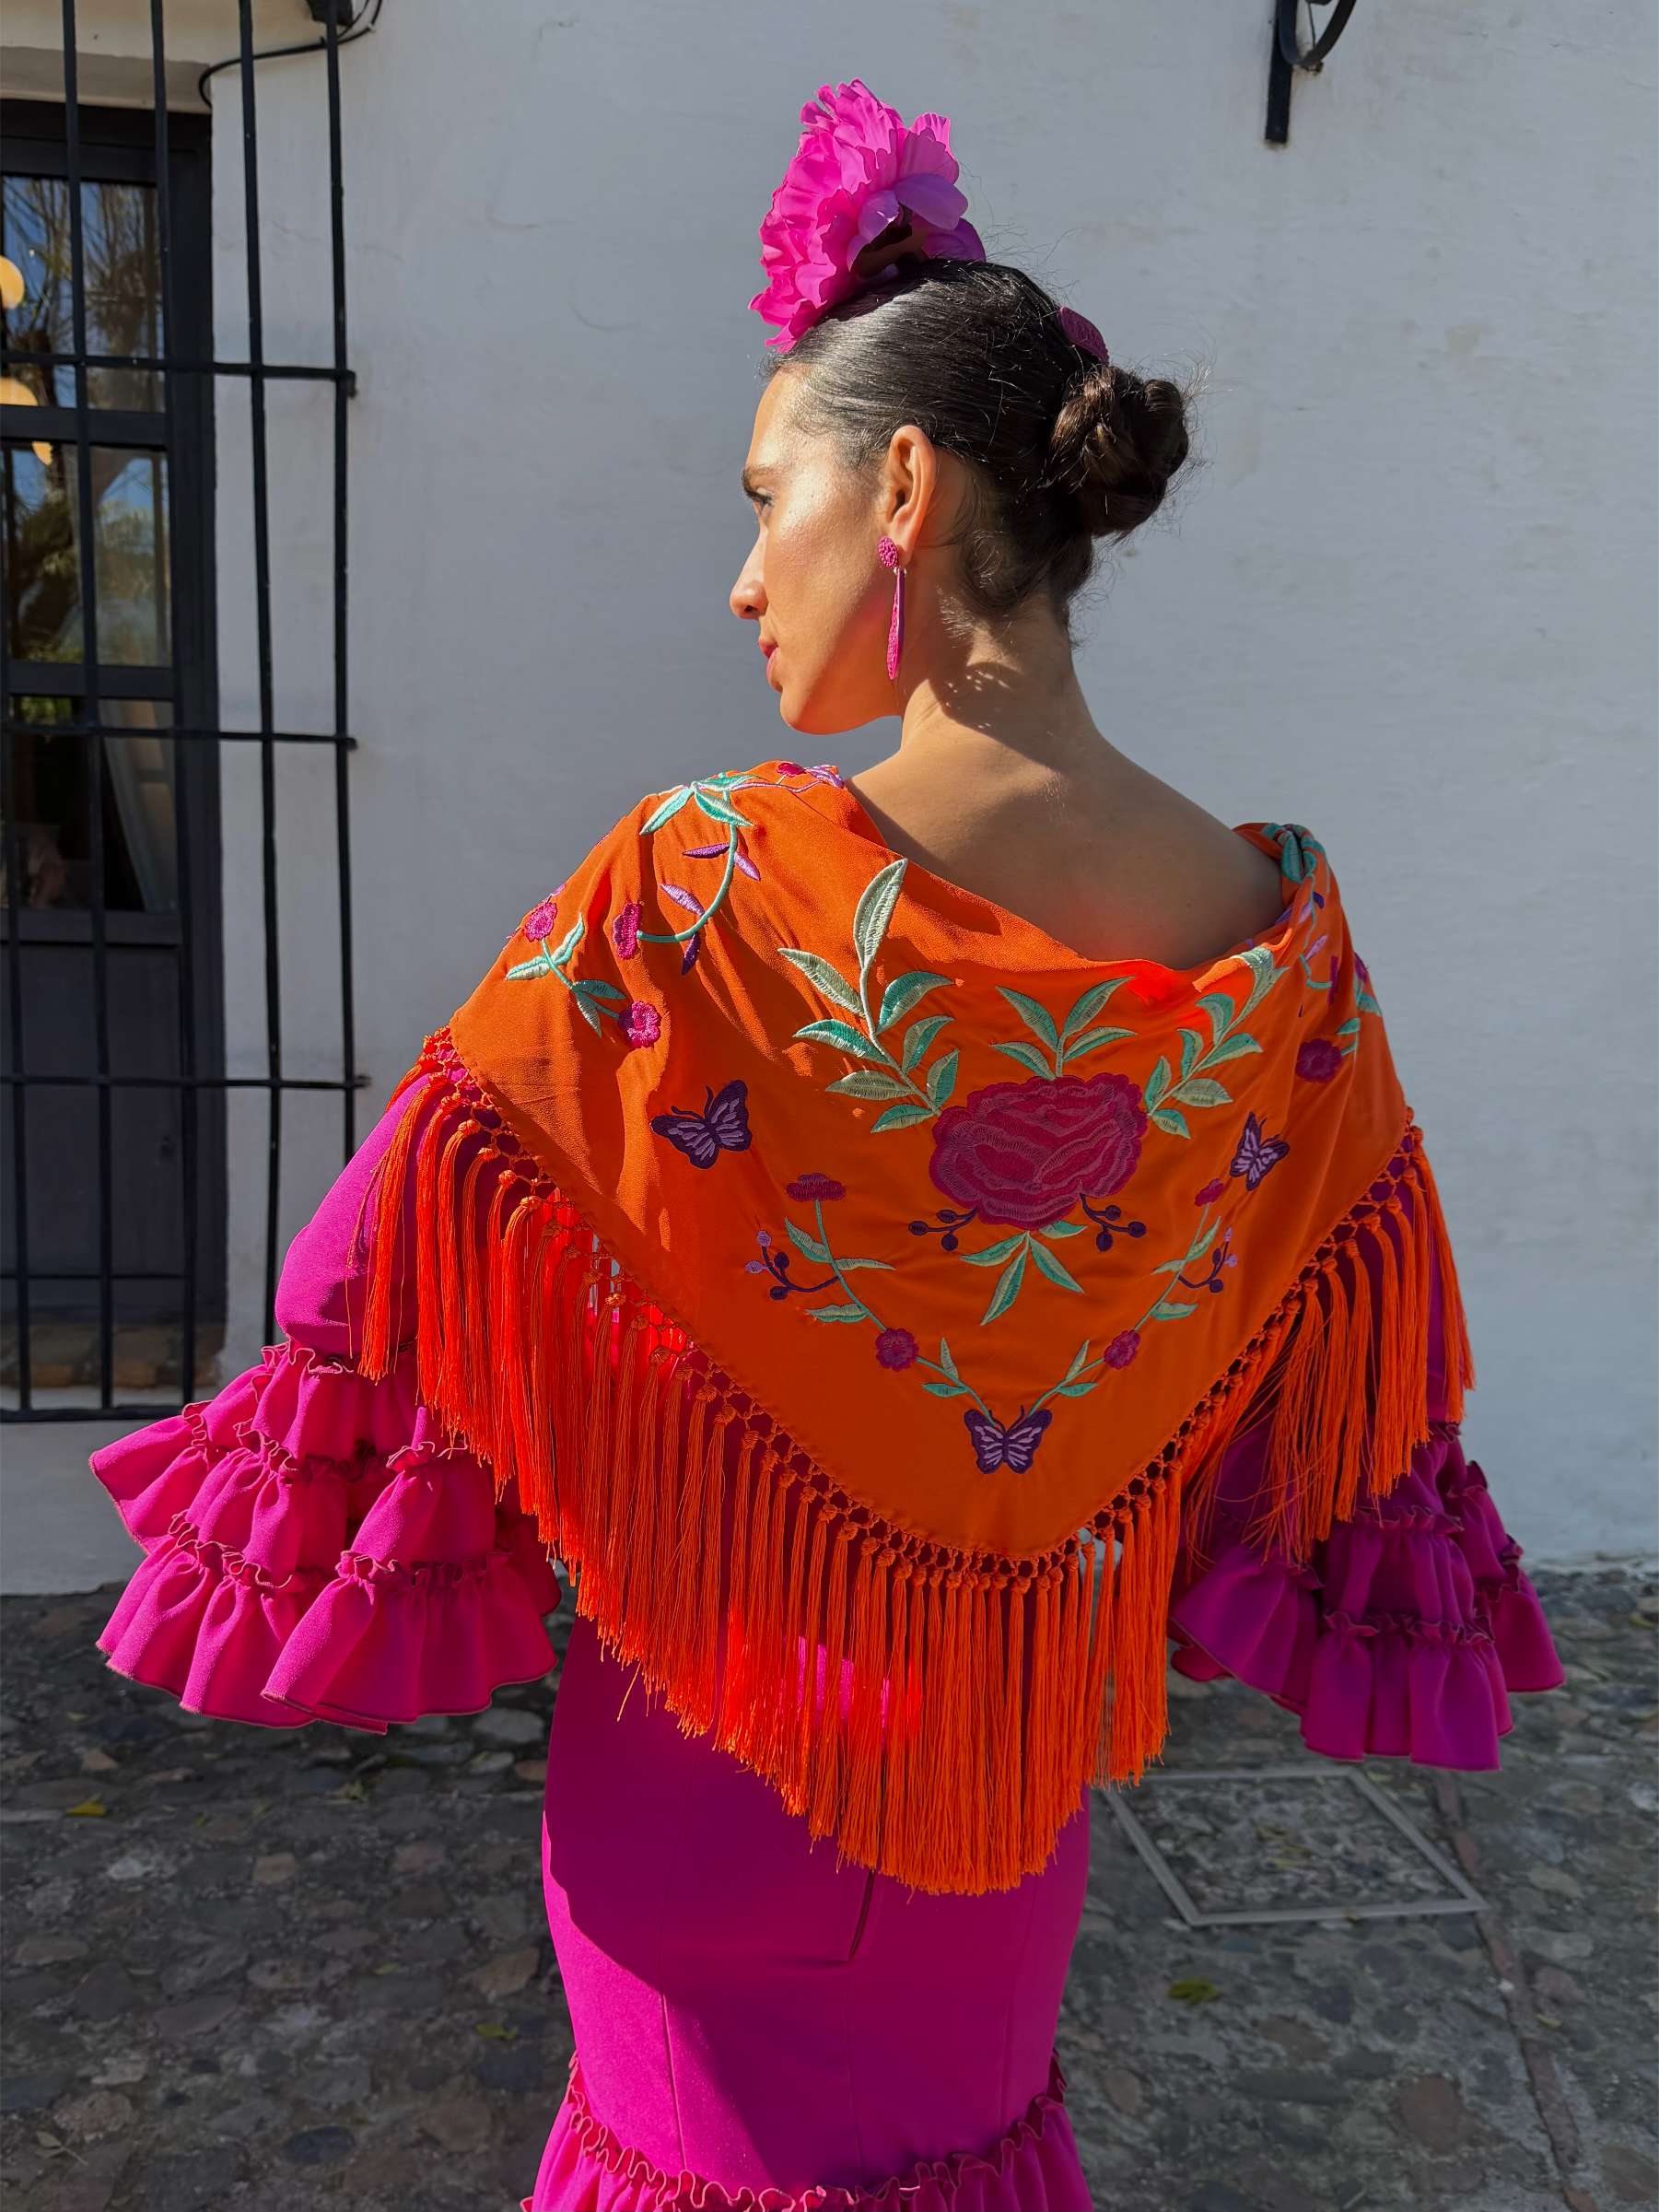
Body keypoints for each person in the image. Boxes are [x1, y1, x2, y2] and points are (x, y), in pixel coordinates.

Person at [88, 80, 1565, 2212]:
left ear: (892, 484)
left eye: (759, 497)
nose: (731, 581)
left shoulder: (695, 891)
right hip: (1000, 1809)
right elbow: (1330, 1384)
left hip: (695, 1782)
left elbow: (402, 1275)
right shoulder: (1284, 951)